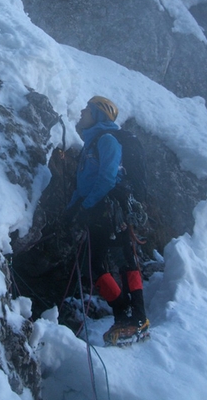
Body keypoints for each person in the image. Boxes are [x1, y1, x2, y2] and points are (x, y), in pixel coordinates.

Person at [65, 96, 150, 346]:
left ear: (99, 114)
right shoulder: (91, 144)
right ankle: (124, 313)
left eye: (87, 109)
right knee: (98, 265)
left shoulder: (107, 140)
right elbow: (85, 183)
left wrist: (86, 207)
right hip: (101, 212)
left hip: (111, 211)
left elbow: (108, 178)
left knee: (124, 262)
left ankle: (136, 316)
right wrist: (73, 209)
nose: (82, 112)